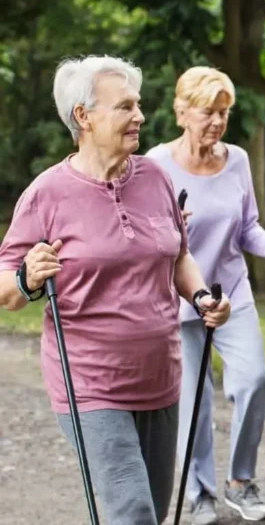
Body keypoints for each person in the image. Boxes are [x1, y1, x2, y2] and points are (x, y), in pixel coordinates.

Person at [0, 55, 231, 525]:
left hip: (160, 377)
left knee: (154, 508)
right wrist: (28, 276)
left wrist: (203, 297)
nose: (140, 116)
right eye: (126, 106)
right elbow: (7, 288)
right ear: (84, 117)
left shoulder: (154, 177)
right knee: (133, 512)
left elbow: (179, 255)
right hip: (89, 384)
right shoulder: (47, 193)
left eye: (139, 104)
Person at [146, 66, 265, 524]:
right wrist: (170, 228)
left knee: (255, 380)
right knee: (192, 403)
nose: (217, 122)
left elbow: (248, 226)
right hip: (179, 300)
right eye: (209, 112)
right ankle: (200, 493)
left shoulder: (237, 161)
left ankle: (240, 481)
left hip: (231, 294)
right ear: (182, 111)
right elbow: (145, 236)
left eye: (224, 113)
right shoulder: (155, 165)